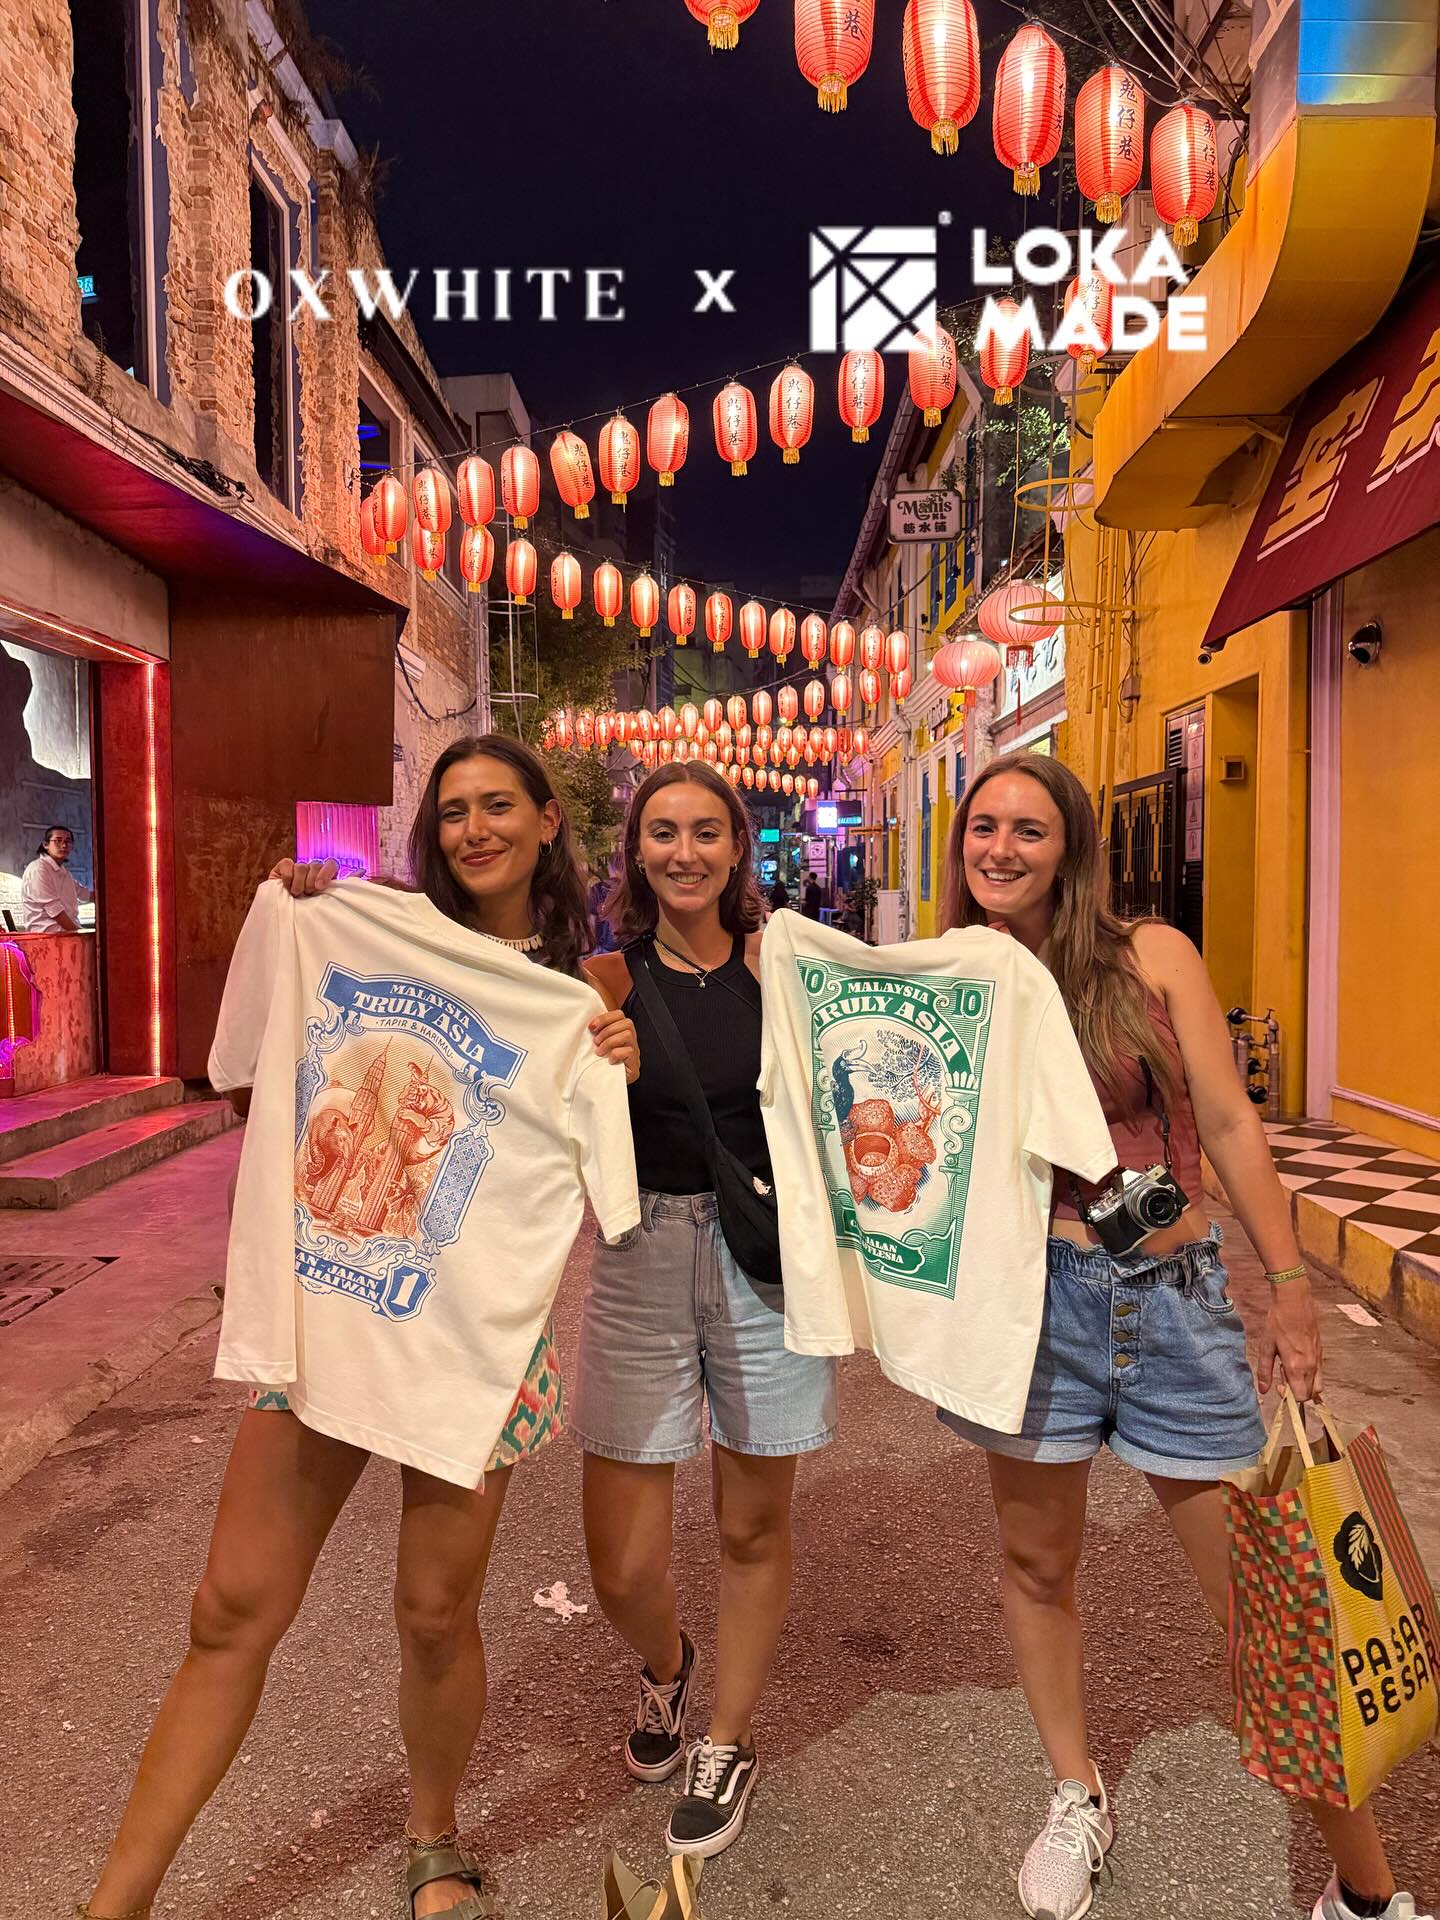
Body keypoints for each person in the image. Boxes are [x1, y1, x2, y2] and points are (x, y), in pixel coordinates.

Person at [80, 735, 641, 1920]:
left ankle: (433, 1838)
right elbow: (243, 1069)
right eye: (453, 811)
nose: (474, 829)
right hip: (327, 1313)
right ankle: (115, 1903)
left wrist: (620, 1064)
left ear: (549, 819)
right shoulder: (358, 922)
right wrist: (292, 915)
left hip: (473, 1342)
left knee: (435, 1615)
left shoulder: (586, 990)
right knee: (230, 1607)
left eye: (499, 805)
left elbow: (619, 1183)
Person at [934, 749, 1431, 1920]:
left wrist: (1290, 1286)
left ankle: (1366, 1890)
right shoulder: (957, 975)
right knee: (1037, 1567)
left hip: (1171, 1304)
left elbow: (1229, 1122)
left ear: (1071, 846)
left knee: (1266, 1601)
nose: (1001, 848)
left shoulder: (1149, 957)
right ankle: (1077, 1793)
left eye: (1028, 830)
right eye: (983, 827)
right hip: (1026, 1309)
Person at [577, 761, 838, 1860]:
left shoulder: (786, 972)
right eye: (663, 833)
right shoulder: (602, 980)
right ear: (636, 853)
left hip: (763, 1260)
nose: (684, 852)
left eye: (706, 832)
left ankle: (728, 1739)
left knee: (750, 1524)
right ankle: (668, 1664)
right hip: (639, 1254)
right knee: (620, 1561)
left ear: (738, 848)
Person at [20, 825, 93, 932]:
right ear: (46, 845)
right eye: (58, 841)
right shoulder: (38, 869)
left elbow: (85, 894)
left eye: (68, 841)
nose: (64, 845)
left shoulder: (64, 873)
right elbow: (54, 910)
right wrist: (79, 933)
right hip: (47, 936)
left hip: (67, 933)